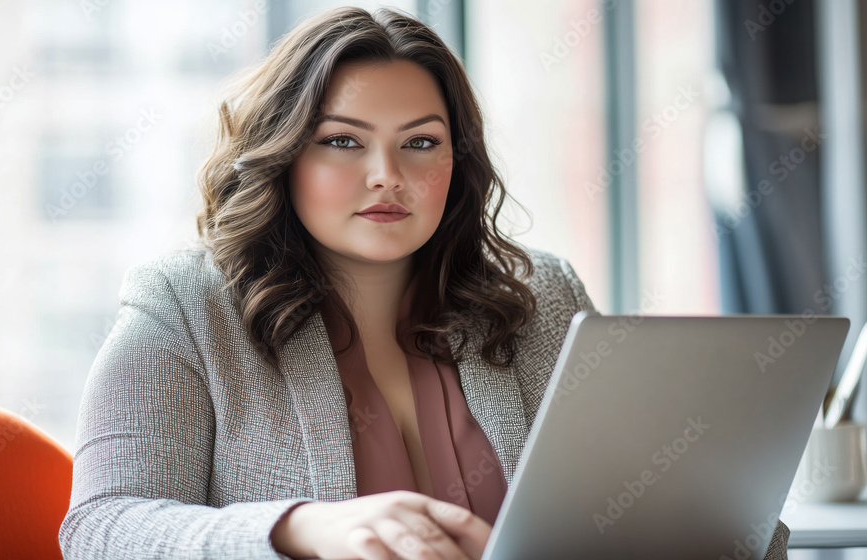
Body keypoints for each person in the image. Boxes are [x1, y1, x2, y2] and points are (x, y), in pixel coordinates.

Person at [58, 6, 791, 560]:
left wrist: (721, 518)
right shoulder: (182, 306)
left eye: (421, 143)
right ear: (282, 156)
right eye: (342, 141)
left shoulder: (541, 297)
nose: (388, 176)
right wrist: (301, 526)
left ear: (456, 162)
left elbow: (647, 503)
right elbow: (101, 527)